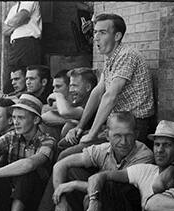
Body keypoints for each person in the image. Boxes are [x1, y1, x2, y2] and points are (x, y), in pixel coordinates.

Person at [20, 112, 153, 211]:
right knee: (72, 170)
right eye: (117, 136)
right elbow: (61, 165)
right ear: (107, 135)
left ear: (136, 134)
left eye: (128, 136)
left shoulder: (144, 155)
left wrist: (75, 185)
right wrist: (60, 201)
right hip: (100, 196)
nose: (123, 142)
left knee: (96, 192)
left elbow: (117, 190)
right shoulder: (103, 149)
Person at [64, 13, 154, 151]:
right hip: (116, 121)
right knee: (67, 138)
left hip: (132, 126)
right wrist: (80, 127)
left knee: (67, 154)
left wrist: (92, 134)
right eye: (95, 32)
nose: (96, 37)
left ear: (117, 36)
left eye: (102, 32)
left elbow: (110, 96)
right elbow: (98, 92)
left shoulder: (126, 55)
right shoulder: (110, 57)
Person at [42, 67, 97, 141]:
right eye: (70, 86)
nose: (70, 90)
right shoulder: (78, 101)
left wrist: (58, 95)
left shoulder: (91, 100)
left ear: (88, 87)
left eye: (74, 86)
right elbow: (45, 117)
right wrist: (70, 120)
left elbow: (66, 112)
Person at [3, 1, 42, 94]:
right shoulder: (13, 8)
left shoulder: (29, 1)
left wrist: (14, 23)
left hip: (27, 44)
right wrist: (18, 22)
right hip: (15, 46)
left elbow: (21, 17)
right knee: (11, 82)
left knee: (28, 80)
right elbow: (4, 31)